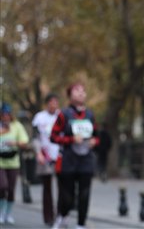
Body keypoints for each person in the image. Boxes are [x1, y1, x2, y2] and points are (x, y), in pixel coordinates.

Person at [50, 83, 98, 229]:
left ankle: (81, 224)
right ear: (70, 95)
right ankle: (62, 216)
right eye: (77, 91)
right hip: (68, 160)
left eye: (83, 91)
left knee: (84, 194)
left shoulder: (90, 115)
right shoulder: (64, 114)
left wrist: (94, 142)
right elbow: (53, 137)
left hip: (86, 160)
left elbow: (97, 136)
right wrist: (70, 139)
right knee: (67, 196)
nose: (81, 93)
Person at [32, 92, 61, 226]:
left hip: (59, 155)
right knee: (47, 188)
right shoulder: (39, 117)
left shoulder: (61, 116)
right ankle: (49, 217)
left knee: (63, 187)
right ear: (47, 103)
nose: (54, 105)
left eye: (56, 102)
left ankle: (61, 214)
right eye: (51, 102)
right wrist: (38, 153)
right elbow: (35, 137)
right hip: (45, 155)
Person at [0, 102, 30, 225]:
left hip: (13, 162)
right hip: (0, 162)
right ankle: (1, 212)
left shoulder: (17, 126)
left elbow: (25, 142)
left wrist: (15, 143)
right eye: (3, 114)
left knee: (11, 189)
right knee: (2, 186)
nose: (5, 117)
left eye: (7, 114)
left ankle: (8, 214)